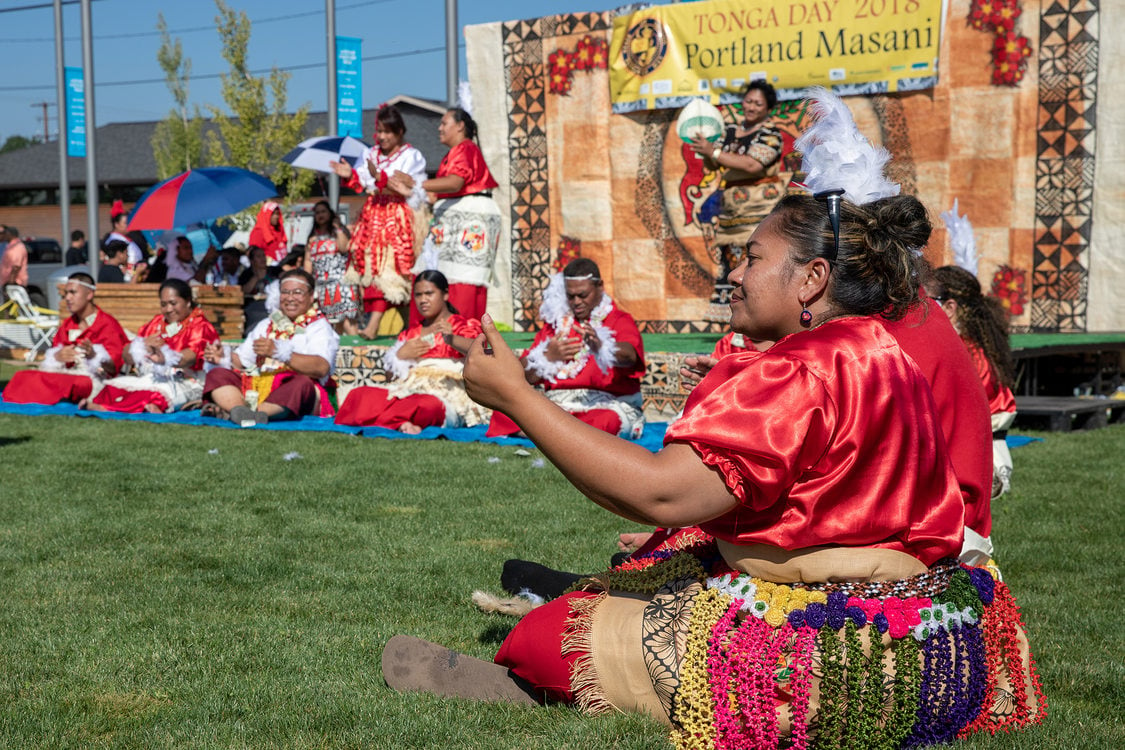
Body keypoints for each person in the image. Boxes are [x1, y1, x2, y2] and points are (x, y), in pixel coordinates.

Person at [382, 91, 1045, 747]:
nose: (735, 273)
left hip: (836, 646)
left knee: (545, 639)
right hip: (927, 629)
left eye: (752, 258)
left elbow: (660, 492)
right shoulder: (878, 348)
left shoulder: (804, 365)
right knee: (643, 579)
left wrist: (518, 398)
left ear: (812, 279)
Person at [486, 258, 646, 439]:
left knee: (605, 421)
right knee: (505, 411)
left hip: (605, 405)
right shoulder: (556, 325)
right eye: (571, 296)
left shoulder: (619, 319)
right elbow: (521, 376)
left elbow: (630, 356)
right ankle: (562, 436)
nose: (576, 301)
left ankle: (547, 435)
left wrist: (602, 346)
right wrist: (547, 356)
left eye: (583, 295)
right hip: (558, 407)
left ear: (600, 286)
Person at [335, 271, 486, 433]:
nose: (423, 300)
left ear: (445, 295)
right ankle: (400, 422)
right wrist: (399, 356)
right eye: (418, 295)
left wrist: (452, 339)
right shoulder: (411, 332)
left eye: (429, 294)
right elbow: (389, 378)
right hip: (407, 391)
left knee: (427, 405)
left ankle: (389, 420)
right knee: (360, 395)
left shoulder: (464, 325)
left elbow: (482, 353)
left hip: (444, 395)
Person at [390, 106, 501, 322]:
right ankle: (432, 334)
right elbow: (436, 195)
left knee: (462, 280)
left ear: (460, 126)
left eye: (444, 123)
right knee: (435, 274)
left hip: (470, 220)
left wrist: (416, 182)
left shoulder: (466, 149)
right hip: (452, 221)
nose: (439, 128)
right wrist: (410, 190)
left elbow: (456, 182)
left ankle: (460, 335)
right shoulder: (453, 154)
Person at [690, 80, 785, 318]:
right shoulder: (729, 131)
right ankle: (733, 322)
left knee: (755, 262)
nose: (751, 107)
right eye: (748, 101)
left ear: (767, 108)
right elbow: (715, 163)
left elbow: (752, 164)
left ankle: (760, 316)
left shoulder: (771, 134)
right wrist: (707, 151)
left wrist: (715, 152)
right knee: (732, 262)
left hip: (759, 208)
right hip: (732, 209)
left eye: (758, 103)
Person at [331, 104, 428, 339]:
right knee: (370, 270)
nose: (382, 137)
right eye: (379, 131)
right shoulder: (371, 154)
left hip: (398, 219)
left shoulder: (411, 156)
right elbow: (364, 181)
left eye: (388, 132)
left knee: (393, 271)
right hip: (373, 217)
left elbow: (406, 188)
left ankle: (374, 324)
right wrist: (351, 175)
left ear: (399, 132)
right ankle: (399, 324)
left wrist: (379, 178)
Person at [925, 265, 1018, 499]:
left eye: (927, 299)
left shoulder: (964, 355)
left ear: (950, 307)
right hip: (984, 457)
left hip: (979, 465)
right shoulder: (972, 348)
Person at [201, 268, 338, 425]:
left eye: (297, 292)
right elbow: (242, 360)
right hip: (258, 386)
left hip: (295, 391)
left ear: (311, 296)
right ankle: (238, 410)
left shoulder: (319, 326)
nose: (290, 298)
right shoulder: (267, 324)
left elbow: (321, 368)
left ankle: (257, 414)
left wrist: (280, 352)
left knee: (302, 383)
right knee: (217, 374)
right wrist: (223, 357)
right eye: (285, 292)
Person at [83, 279, 220, 413]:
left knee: (155, 394)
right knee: (113, 387)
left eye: (173, 303)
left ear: (188, 301)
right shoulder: (156, 323)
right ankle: (111, 406)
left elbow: (189, 357)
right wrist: (141, 346)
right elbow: (126, 356)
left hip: (187, 380)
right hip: (152, 377)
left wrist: (165, 358)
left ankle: (115, 409)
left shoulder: (200, 326)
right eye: (164, 304)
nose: (168, 309)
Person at [2, 273, 129, 405]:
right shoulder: (68, 324)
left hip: (93, 380)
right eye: (66, 293)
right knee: (23, 375)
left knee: (78, 382)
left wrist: (94, 356)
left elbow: (115, 367)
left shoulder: (107, 324)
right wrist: (57, 356)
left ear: (89, 294)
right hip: (66, 374)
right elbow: (53, 357)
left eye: (73, 293)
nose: (67, 298)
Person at [302, 200, 359, 334]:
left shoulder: (338, 232)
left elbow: (344, 248)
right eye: (317, 213)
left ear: (330, 213)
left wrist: (338, 227)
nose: (320, 215)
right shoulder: (312, 238)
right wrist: (306, 281)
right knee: (331, 322)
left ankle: (357, 346)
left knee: (347, 319)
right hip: (322, 284)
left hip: (342, 282)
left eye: (323, 211)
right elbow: (308, 262)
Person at [105, 199, 147, 270]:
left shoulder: (125, 237)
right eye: (125, 223)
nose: (128, 225)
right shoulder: (113, 239)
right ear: (117, 224)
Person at [239, 245, 271, 334]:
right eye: (259, 256)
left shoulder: (274, 270)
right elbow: (244, 291)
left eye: (263, 256)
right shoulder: (246, 274)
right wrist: (256, 278)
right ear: (252, 260)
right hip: (253, 308)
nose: (262, 259)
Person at [0, 225, 28, 290]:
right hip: (7, 282)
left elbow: (16, 266)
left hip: (14, 283)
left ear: (9, 234)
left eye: (5, 234)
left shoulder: (17, 247)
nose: (4, 236)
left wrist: (11, 283)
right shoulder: (10, 246)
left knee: (13, 300)